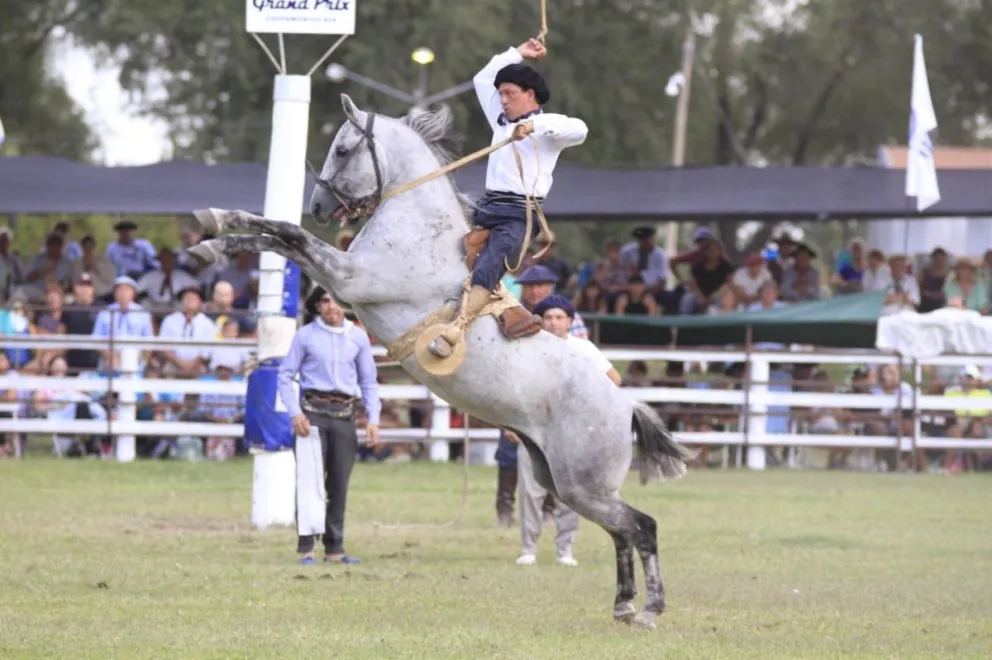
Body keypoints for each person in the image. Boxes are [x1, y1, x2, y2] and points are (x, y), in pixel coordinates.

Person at [426, 37, 588, 362]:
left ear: (530, 96)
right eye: (501, 94)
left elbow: (579, 129)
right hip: (485, 209)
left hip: (518, 215)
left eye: (510, 94)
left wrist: (531, 126)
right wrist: (518, 54)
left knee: (488, 266)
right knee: (443, 247)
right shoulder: (500, 120)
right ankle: (498, 310)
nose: (502, 100)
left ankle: (456, 329)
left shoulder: (548, 130)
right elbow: (482, 79)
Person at [510, 295, 620, 567]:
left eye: (559, 317)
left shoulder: (583, 348)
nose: (553, 322)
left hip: (571, 430)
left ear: (570, 321)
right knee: (530, 490)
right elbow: (512, 389)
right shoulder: (527, 347)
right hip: (534, 426)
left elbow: (613, 379)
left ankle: (565, 549)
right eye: (548, 317)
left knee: (570, 491)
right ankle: (529, 548)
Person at [277, 287, 381, 566]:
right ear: (317, 305)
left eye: (335, 301)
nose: (331, 307)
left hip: (345, 413)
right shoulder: (306, 336)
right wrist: (295, 413)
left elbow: (368, 381)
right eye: (325, 301)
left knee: (339, 482)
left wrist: (373, 418)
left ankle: (335, 547)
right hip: (313, 414)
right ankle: (307, 547)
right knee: (309, 482)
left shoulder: (357, 337)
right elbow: (286, 375)